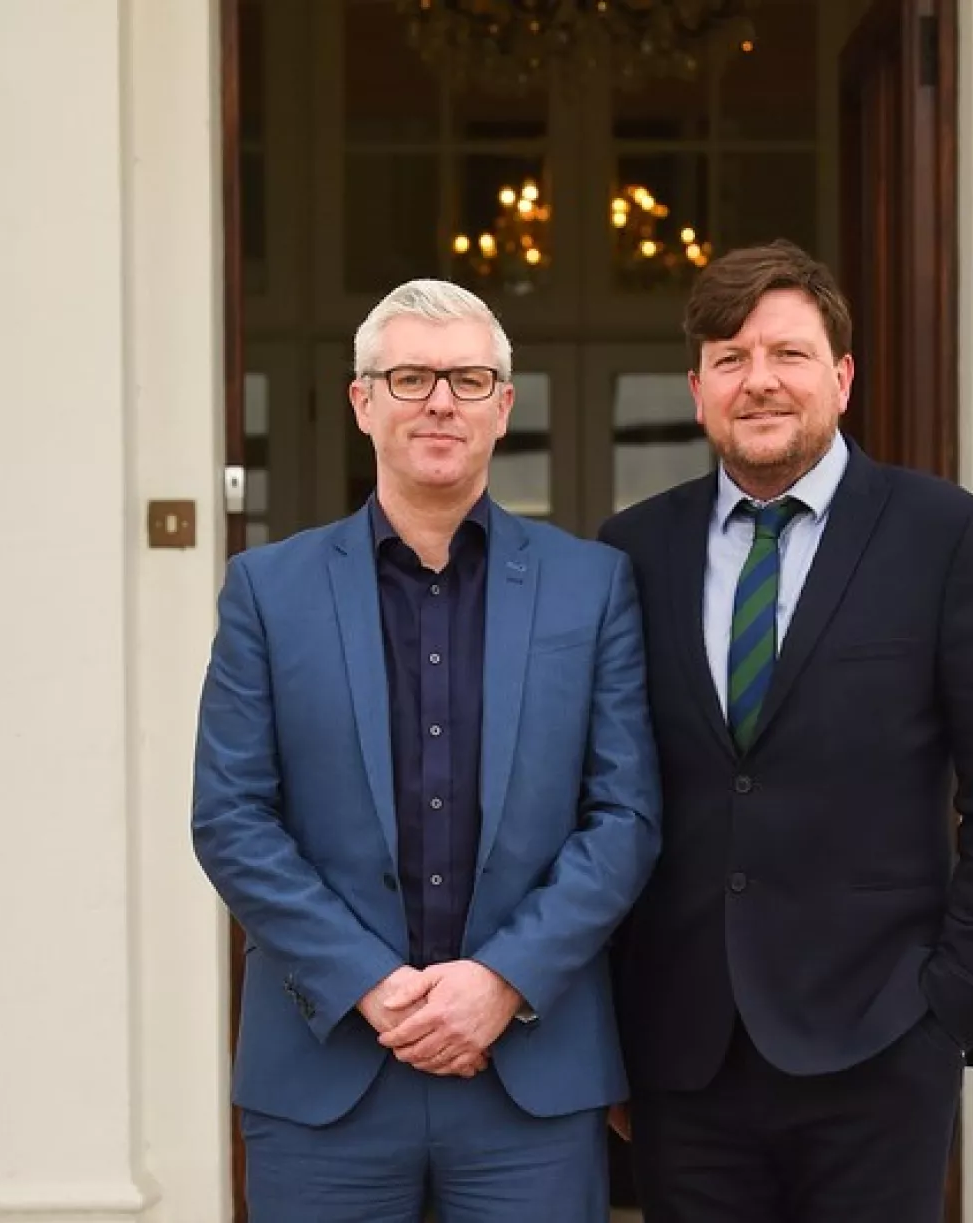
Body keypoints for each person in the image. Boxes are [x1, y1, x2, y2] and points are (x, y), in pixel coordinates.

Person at [599, 240, 973, 1223]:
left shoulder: (945, 536)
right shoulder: (630, 551)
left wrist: (954, 1001)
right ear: (696, 389)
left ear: (841, 377)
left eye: (787, 354)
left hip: (880, 1042)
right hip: (683, 1056)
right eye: (728, 357)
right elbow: (599, 794)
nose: (757, 379)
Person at [193, 278, 661, 1223]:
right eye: (410, 376)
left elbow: (626, 817)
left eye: (468, 378)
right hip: (325, 1077)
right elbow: (231, 816)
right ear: (362, 401)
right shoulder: (267, 590)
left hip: (529, 1077)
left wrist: (502, 981)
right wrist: (368, 984)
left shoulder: (593, 586)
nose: (440, 400)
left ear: (504, 406)